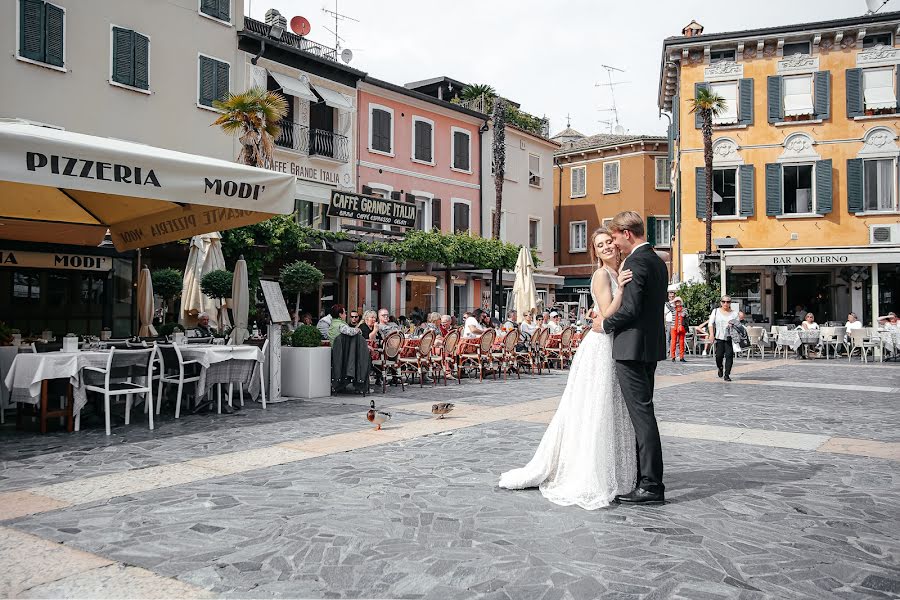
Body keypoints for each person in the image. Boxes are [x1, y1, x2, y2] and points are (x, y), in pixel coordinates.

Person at [499, 224, 637, 509]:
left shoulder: (617, 271)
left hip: (612, 343)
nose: (607, 247)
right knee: (595, 408)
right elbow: (607, 312)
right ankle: (590, 472)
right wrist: (622, 290)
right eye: (600, 245)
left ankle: (612, 469)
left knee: (609, 408)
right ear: (596, 253)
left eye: (609, 241)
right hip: (600, 346)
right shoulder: (602, 275)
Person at [597, 211, 668, 504]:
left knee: (642, 417)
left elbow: (631, 310)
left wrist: (604, 325)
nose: (614, 245)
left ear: (627, 234)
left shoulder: (637, 262)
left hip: (631, 348)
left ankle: (651, 484)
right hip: (649, 347)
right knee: (644, 414)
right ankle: (643, 478)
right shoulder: (657, 261)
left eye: (615, 238)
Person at [709, 295, 738, 380]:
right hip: (719, 337)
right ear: (721, 302)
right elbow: (711, 323)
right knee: (719, 356)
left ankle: (727, 374)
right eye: (724, 302)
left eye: (728, 302)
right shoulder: (716, 311)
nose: (726, 303)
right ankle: (720, 368)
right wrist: (711, 334)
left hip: (730, 337)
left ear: (730, 303)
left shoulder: (734, 313)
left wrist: (733, 325)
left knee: (729, 356)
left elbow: (738, 325)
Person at [670, 296, 688, 362]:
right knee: (673, 342)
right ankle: (673, 357)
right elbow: (667, 304)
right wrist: (673, 300)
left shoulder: (684, 309)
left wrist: (680, 312)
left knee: (681, 342)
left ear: (681, 302)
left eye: (679, 301)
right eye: (676, 302)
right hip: (673, 327)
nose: (677, 303)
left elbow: (684, 315)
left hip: (681, 327)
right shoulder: (673, 309)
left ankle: (681, 357)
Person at [664, 290, 676, 357]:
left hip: (675, 322)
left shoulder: (676, 304)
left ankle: (674, 353)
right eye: (670, 296)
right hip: (668, 322)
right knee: (668, 338)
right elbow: (665, 313)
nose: (671, 298)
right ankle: (667, 353)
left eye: (673, 296)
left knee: (675, 339)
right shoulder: (666, 304)